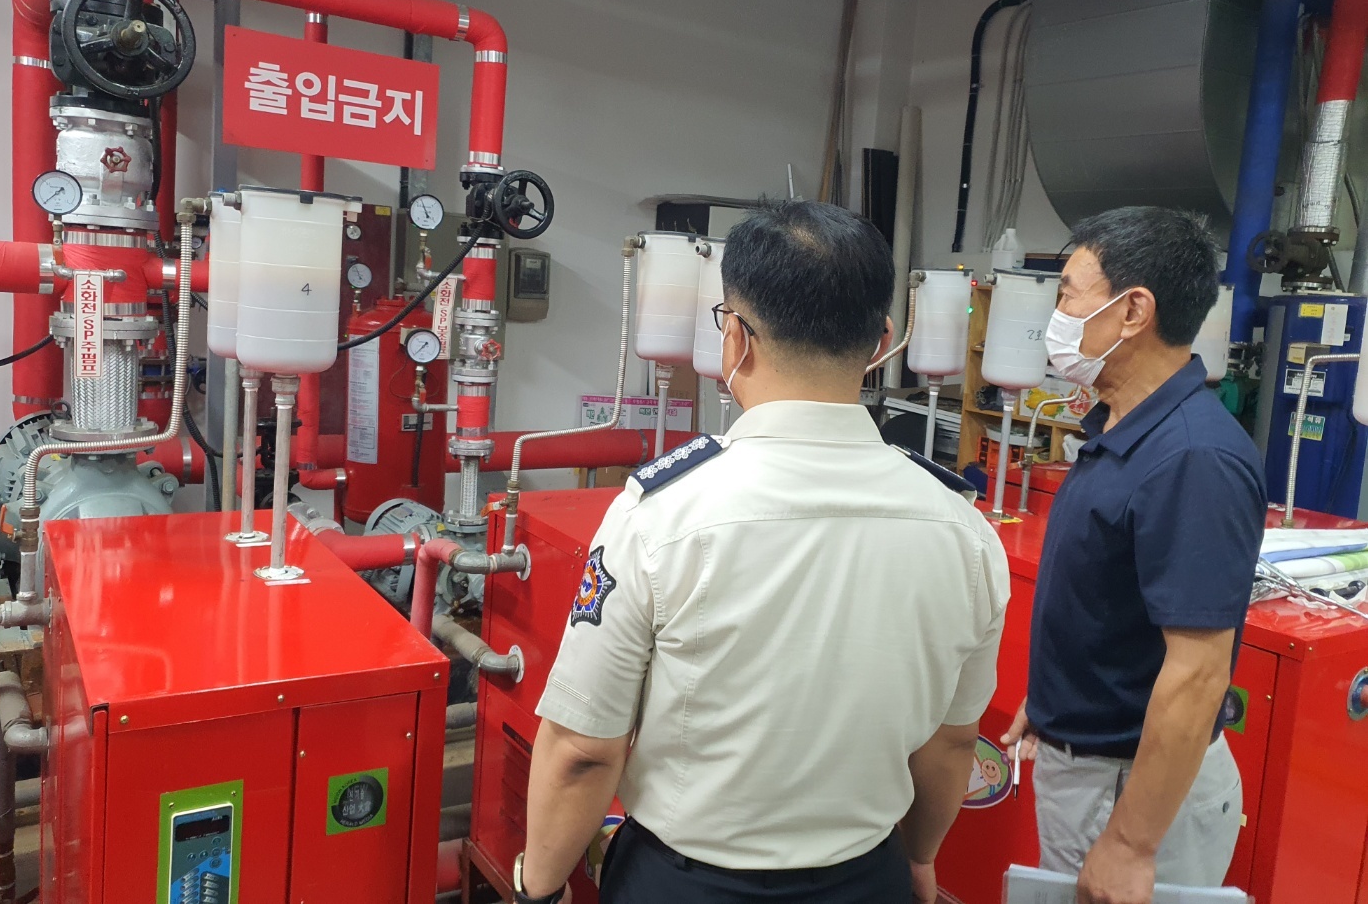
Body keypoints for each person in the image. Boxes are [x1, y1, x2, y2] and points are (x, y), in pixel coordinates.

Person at [513, 202, 1010, 904]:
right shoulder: (965, 529)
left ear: (735, 339)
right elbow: (952, 743)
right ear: (882, 342)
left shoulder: (662, 514)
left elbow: (583, 750)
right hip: (866, 880)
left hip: (685, 886)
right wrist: (920, 859)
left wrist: (537, 889)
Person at [1002, 206, 1267, 904]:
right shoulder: (1121, 425)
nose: (1057, 315)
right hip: (1093, 768)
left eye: (1068, 294)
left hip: (1129, 791)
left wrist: (1129, 843)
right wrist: (1058, 699)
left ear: (1132, 312)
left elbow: (1198, 671)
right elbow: (1113, 597)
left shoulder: (1193, 458)